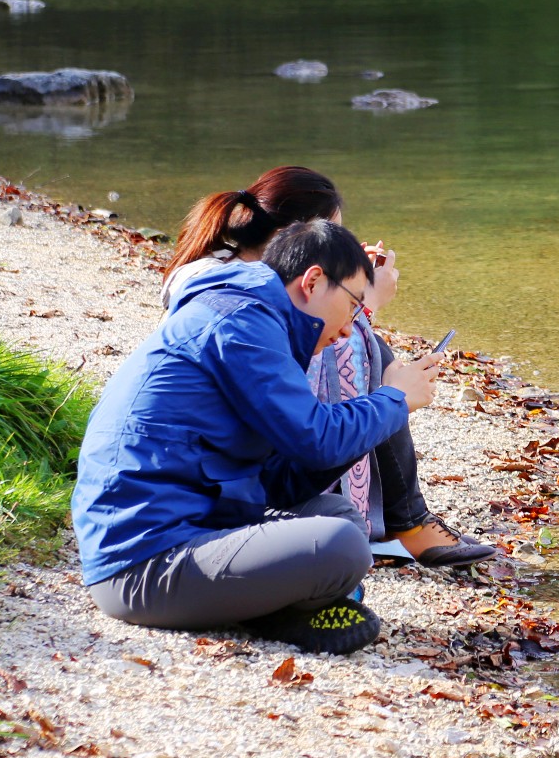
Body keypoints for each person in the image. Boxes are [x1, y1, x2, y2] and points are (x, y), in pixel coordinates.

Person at [74, 220, 440, 653]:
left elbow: (281, 480)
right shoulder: (243, 322)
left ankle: (274, 608)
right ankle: (278, 611)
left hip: (198, 523)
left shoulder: (253, 315)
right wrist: (393, 400)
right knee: (342, 547)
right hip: (142, 564)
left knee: (336, 515)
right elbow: (317, 439)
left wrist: (383, 407)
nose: (350, 326)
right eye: (355, 304)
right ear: (313, 281)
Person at [160, 167, 495, 569]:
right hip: (209, 486)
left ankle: (403, 519)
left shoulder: (229, 273)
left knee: (368, 351)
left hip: (216, 469)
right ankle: (408, 521)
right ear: (296, 237)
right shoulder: (234, 300)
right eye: (329, 236)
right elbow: (299, 355)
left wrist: (345, 286)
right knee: (366, 349)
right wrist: (364, 300)